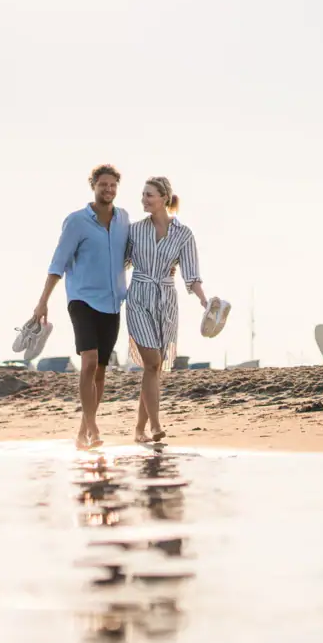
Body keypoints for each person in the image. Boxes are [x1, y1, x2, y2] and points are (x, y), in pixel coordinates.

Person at [32, 164, 130, 449]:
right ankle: (94, 428)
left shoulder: (123, 219)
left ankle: (82, 430)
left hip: (112, 303)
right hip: (82, 299)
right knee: (88, 362)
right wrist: (42, 301)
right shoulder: (76, 221)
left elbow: (134, 253)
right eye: (103, 184)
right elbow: (57, 263)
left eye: (112, 185)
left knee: (100, 369)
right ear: (93, 186)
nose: (108, 189)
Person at [124, 176, 208, 444]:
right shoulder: (134, 231)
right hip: (138, 297)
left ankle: (139, 430)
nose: (143, 200)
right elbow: (118, 264)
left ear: (163, 198)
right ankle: (156, 425)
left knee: (154, 368)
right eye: (143, 195)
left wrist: (205, 302)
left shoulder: (184, 234)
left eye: (149, 195)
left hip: (166, 300)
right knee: (152, 363)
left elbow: (192, 275)